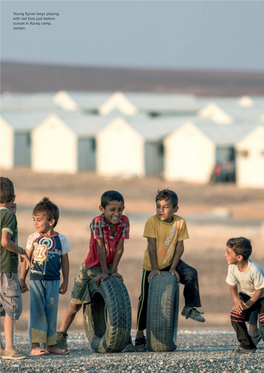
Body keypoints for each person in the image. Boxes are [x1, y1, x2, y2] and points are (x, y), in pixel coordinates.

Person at [56, 190, 131, 351]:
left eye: (120, 209)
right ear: (102, 209)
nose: (117, 213)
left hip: (110, 267)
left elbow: (120, 247)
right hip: (91, 268)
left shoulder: (124, 222)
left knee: (117, 299)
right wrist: (104, 271)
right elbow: (100, 247)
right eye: (112, 209)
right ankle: (61, 335)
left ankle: (126, 339)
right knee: (75, 304)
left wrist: (112, 270)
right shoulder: (97, 222)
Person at [136, 189, 205, 351]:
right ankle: (139, 334)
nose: (161, 210)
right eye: (158, 206)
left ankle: (189, 308)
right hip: (151, 265)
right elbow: (151, 247)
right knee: (144, 299)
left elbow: (180, 247)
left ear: (175, 209)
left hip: (171, 261)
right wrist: (153, 269)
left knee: (191, 273)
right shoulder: (151, 222)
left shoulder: (180, 223)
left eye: (165, 207)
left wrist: (174, 268)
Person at [20, 197, 72, 356]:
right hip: (36, 280)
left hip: (54, 281)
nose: (35, 223)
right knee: (37, 311)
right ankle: (34, 346)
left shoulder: (61, 239)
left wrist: (65, 281)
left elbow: (65, 261)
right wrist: (22, 278)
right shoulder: (33, 238)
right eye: (33, 220)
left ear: (51, 221)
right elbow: (26, 260)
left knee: (51, 312)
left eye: (39, 220)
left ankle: (51, 345)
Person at [0, 177, 30, 360]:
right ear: (13, 197)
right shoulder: (9, 216)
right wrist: (22, 251)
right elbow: (5, 241)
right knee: (11, 308)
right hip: (6, 269)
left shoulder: (7, 215)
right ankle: (10, 348)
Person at [225, 237, 264, 354]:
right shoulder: (232, 267)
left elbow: (260, 290)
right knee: (235, 316)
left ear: (239, 257)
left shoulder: (254, 269)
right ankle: (247, 345)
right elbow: (233, 287)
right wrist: (237, 300)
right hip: (248, 296)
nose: (225, 255)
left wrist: (248, 305)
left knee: (263, 321)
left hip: (262, 296)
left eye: (228, 252)